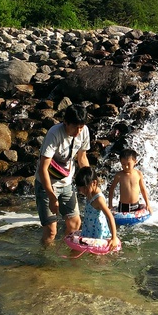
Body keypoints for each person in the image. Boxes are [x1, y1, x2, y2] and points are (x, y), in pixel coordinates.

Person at [35, 104, 90, 246]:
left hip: (66, 183)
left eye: (81, 127)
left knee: (75, 224)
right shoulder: (54, 134)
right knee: (51, 231)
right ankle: (45, 262)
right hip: (46, 184)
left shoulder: (84, 131)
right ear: (65, 122)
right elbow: (43, 168)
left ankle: (62, 252)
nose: (78, 131)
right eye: (75, 127)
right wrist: (52, 197)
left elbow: (82, 158)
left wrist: (90, 183)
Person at [76, 167, 120, 250]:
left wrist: (114, 237)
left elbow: (110, 216)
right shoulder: (90, 192)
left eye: (85, 189)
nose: (83, 191)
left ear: (94, 183)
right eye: (80, 189)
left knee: (98, 258)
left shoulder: (99, 199)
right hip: (88, 230)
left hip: (98, 232)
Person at [108, 148, 152, 214]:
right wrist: (110, 205)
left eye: (128, 164)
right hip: (123, 207)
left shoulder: (138, 174)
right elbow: (111, 189)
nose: (126, 167)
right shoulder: (119, 175)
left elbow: (143, 189)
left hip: (136, 206)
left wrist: (148, 204)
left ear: (135, 162)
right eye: (123, 164)